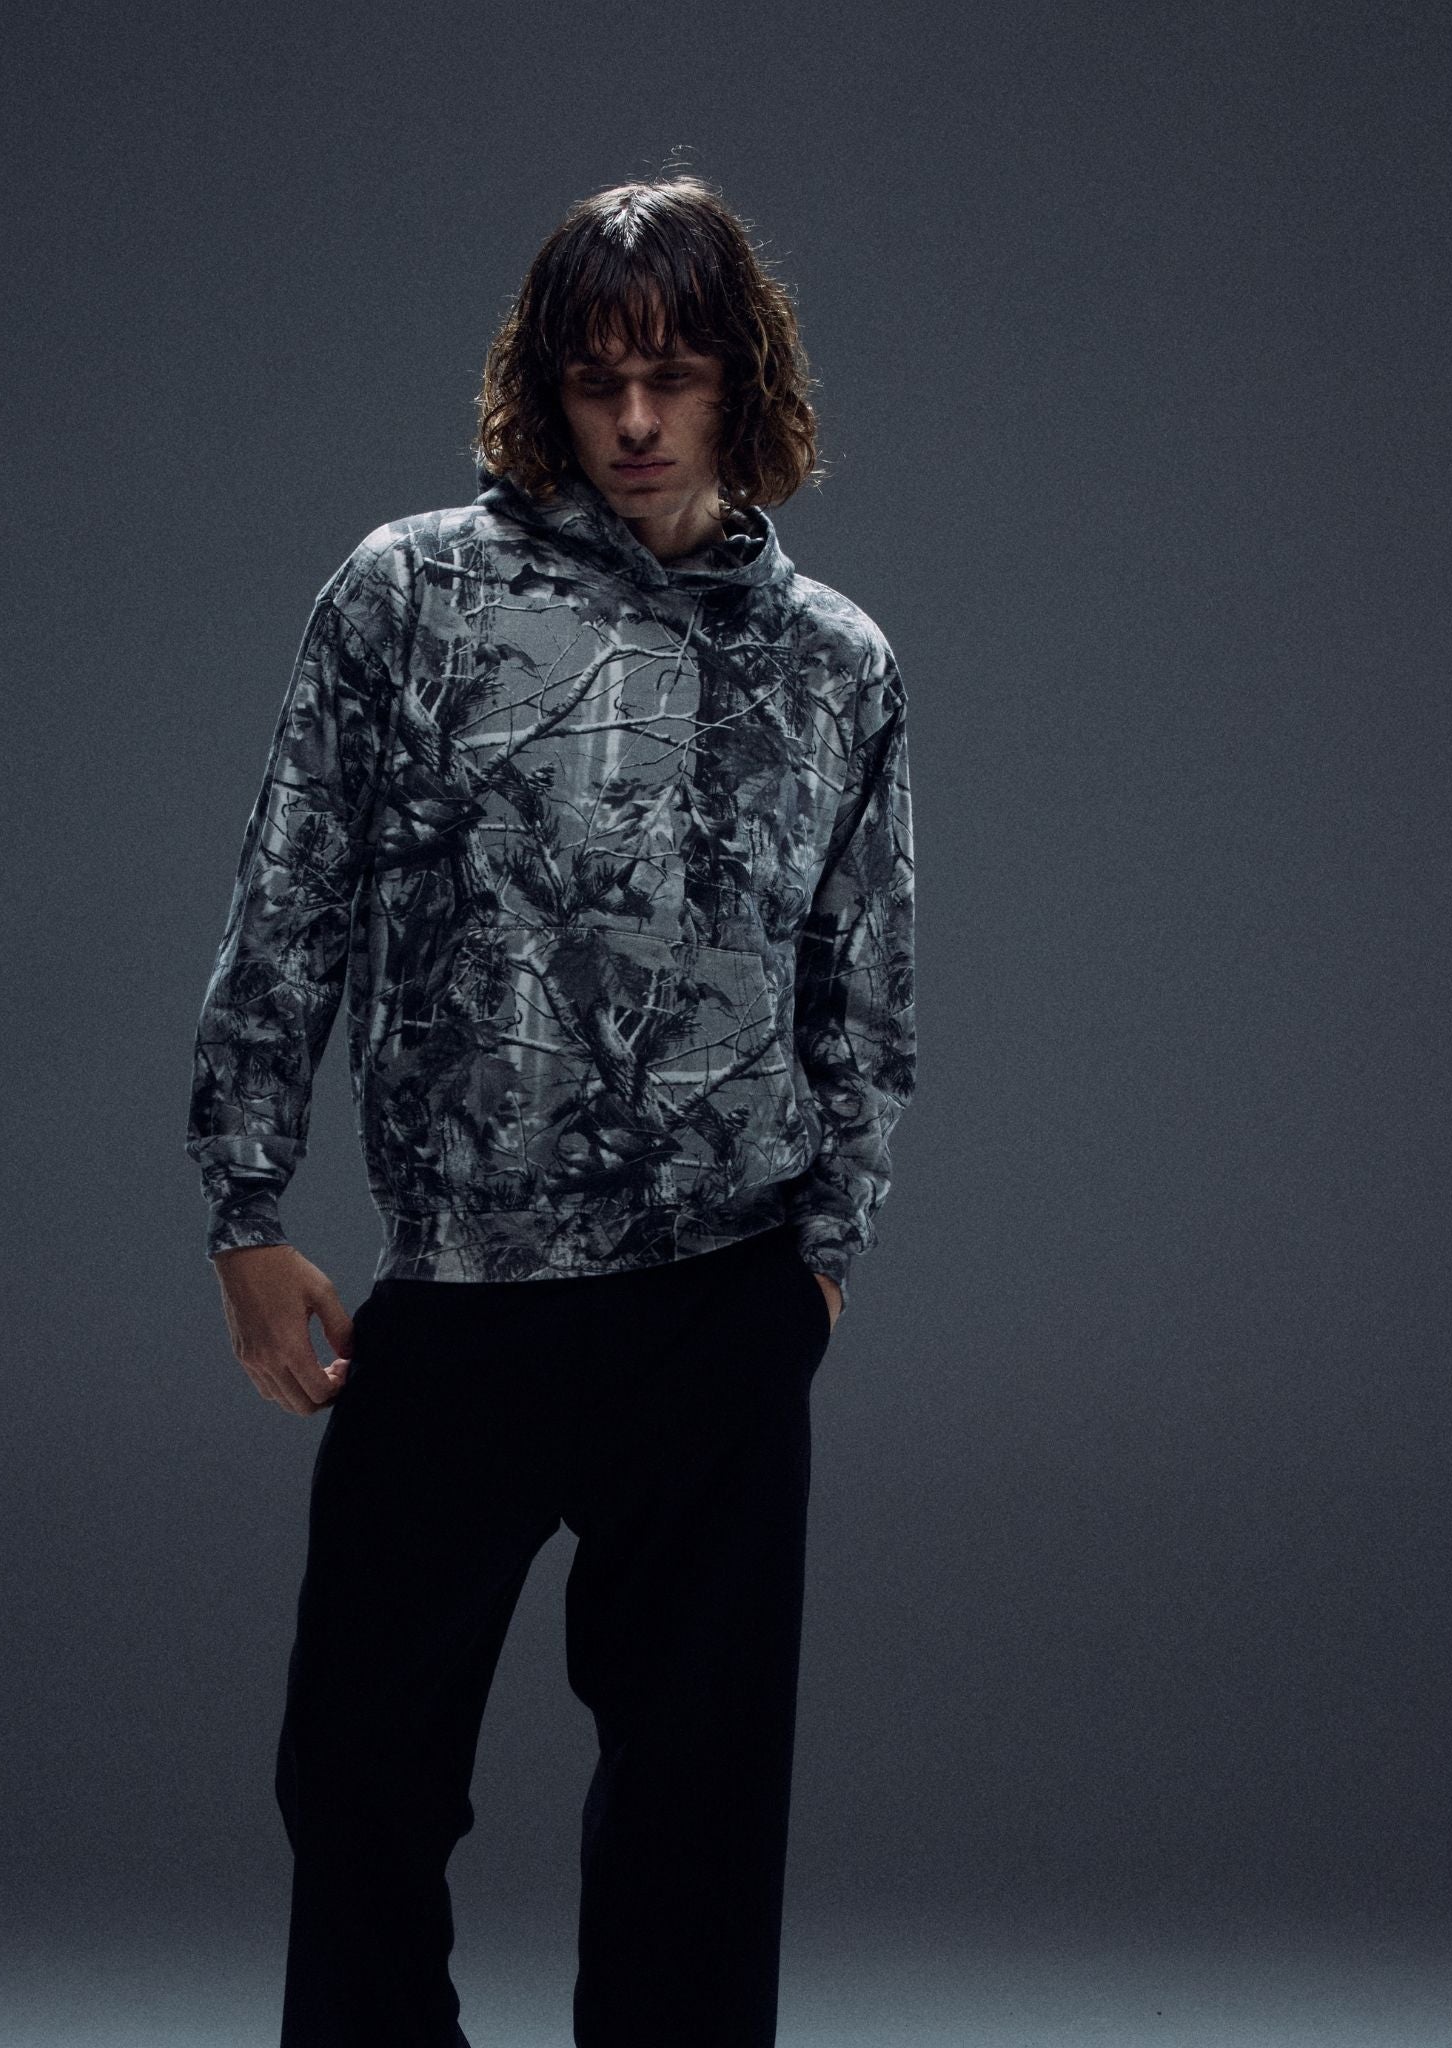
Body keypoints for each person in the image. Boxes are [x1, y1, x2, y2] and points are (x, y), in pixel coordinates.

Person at [186, 172, 915, 2047]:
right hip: (467, 1302)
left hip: (720, 1306)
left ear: (746, 380)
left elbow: (863, 985)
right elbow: (293, 897)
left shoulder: (833, 661)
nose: (640, 421)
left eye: (677, 377)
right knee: (358, 1782)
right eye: (601, 383)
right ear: (548, 389)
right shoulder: (412, 596)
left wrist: (818, 1268)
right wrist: (246, 1210)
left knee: (696, 1829)